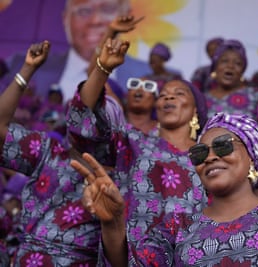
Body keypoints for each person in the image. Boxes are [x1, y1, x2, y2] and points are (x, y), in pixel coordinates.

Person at [71, 112, 258, 266]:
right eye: (200, 153)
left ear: (253, 156)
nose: (210, 157)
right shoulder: (176, 227)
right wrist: (113, 223)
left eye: (224, 146)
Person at [67, 36, 209, 242]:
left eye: (179, 94)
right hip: (131, 255)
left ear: (196, 110)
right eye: (163, 95)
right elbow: (84, 128)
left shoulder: (209, 155)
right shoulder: (133, 142)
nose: (168, 97)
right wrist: (102, 70)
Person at [0, 40, 118, 265]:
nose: (84, 118)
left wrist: (103, 68)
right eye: (77, 110)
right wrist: (27, 70)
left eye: (96, 112)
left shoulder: (124, 172)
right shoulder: (49, 152)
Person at [1, 0, 151, 102]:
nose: (95, 20)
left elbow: (96, 72)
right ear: (65, 18)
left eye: (108, 9)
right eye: (84, 11)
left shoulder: (150, 77)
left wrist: (110, 32)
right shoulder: (20, 66)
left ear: (128, 14)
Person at [205, 39, 258, 147]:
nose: (230, 66)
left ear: (243, 71)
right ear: (215, 67)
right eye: (224, 61)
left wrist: (241, 140)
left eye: (238, 63)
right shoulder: (202, 99)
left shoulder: (256, 96)